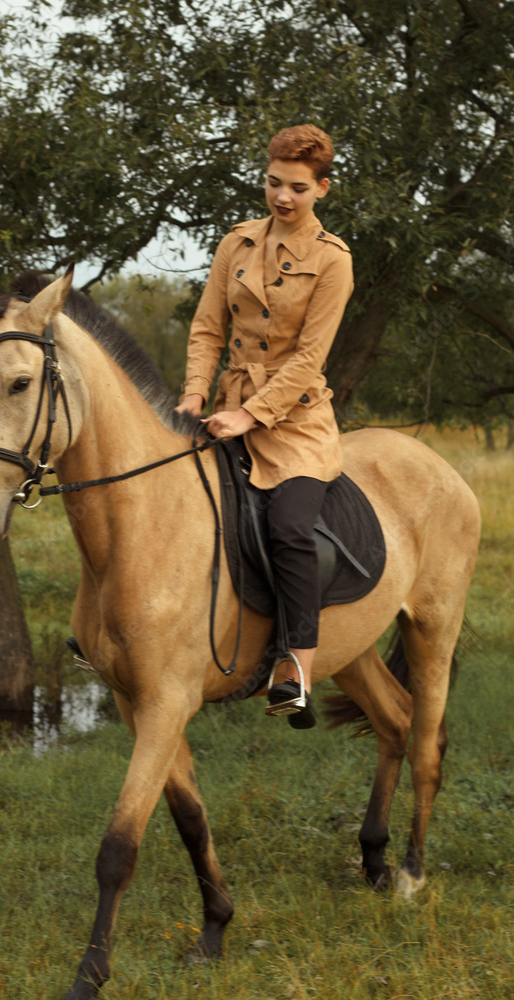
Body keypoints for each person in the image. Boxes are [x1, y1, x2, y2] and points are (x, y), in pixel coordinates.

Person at [175, 123, 353, 729]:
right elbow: (206, 328)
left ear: (322, 189)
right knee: (169, 504)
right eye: (274, 182)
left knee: (289, 528)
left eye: (298, 188)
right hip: (224, 406)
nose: (282, 197)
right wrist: (195, 393)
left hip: (295, 422)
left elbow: (308, 359)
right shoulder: (237, 243)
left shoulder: (333, 262)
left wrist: (251, 414)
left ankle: (296, 665)